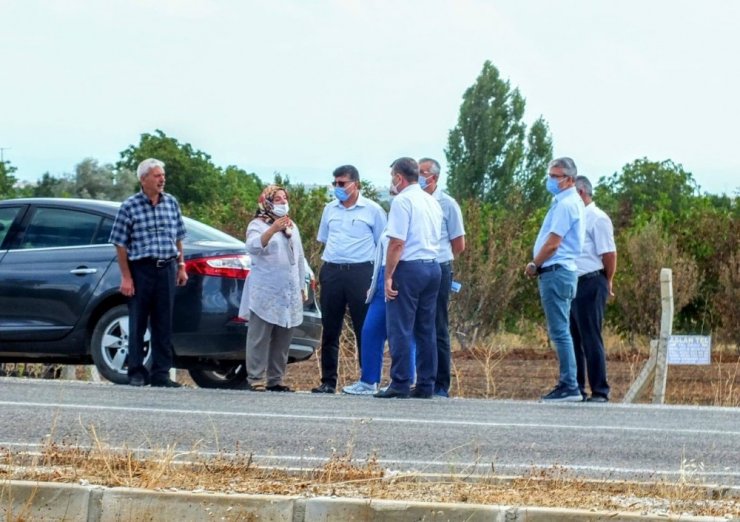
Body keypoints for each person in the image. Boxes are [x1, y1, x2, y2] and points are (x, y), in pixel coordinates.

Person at [109, 158, 188, 388]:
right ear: (144, 179)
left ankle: (161, 373)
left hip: (167, 268)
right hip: (141, 269)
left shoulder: (171, 203)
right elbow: (120, 244)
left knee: (164, 323)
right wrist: (126, 276)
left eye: (163, 175)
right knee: (138, 322)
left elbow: (179, 237)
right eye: (156, 175)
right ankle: (136, 371)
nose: (162, 179)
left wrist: (181, 265)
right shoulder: (129, 206)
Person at [312, 165, 387, 394]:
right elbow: (324, 238)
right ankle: (328, 381)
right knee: (330, 328)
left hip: (360, 272)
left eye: (342, 183)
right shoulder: (330, 210)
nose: (338, 188)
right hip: (333, 270)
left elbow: (381, 243)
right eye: (335, 183)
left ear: (356, 184)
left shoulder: (373, 210)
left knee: (364, 327)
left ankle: (368, 380)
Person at [375, 157, 442, 399]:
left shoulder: (402, 201)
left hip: (409, 267)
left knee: (400, 327)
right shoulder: (431, 200)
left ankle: (400, 382)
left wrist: (389, 276)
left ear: (398, 177)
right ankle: (426, 384)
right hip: (433, 267)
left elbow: (397, 242)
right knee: (425, 329)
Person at [524, 157, 585, 402]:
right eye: (550, 174)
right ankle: (569, 383)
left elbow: (553, 242)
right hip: (562, 272)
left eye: (555, 176)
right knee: (562, 330)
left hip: (556, 271)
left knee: (560, 332)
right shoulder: (568, 202)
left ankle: (569, 385)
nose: (550, 180)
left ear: (569, 179)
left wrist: (534, 264)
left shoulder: (566, 205)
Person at [238, 185, 306, 392]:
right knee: (259, 336)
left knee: (283, 336)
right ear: (266, 201)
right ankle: (256, 377)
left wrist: (302, 285)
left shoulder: (291, 227)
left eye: (285, 198)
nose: (283, 203)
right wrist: (272, 229)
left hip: (289, 290)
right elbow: (253, 247)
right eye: (277, 199)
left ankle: (276, 379)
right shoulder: (257, 225)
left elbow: (300, 258)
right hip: (265, 289)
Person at [341, 231, 417, 395]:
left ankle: (407, 380)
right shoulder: (390, 222)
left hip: (400, 272)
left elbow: (399, 246)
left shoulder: (411, 216)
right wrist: (375, 281)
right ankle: (368, 381)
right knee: (370, 330)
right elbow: (381, 253)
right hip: (383, 274)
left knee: (403, 332)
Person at [418, 158, 466, 397]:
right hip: (416, 269)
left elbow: (459, 243)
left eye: (422, 172)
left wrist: (442, 259)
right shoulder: (413, 201)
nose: (418, 176)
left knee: (437, 325)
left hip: (439, 267)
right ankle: (421, 379)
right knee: (418, 325)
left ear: (433, 177)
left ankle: (440, 384)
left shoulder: (448, 204)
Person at [570, 176, 617, 402]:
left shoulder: (597, 218)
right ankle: (576, 387)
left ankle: (600, 390)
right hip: (573, 282)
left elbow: (609, 254)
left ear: (581, 193)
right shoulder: (575, 217)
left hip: (591, 281)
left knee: (590, 336)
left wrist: (607, 279)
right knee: (573, 337)